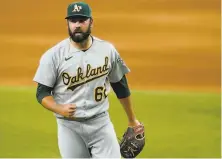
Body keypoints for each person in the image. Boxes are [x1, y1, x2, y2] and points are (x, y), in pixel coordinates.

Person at [33, 1, 141, 158]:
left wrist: (132, 120)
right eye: (73, 21)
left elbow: (120, 85)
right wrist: (59, 108)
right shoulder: (53, 56)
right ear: (67, 23)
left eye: (82, 20)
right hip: (69, 126)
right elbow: (41, 93)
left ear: (91, 22)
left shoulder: (107, 50)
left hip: (100, 123)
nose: (77, 25)